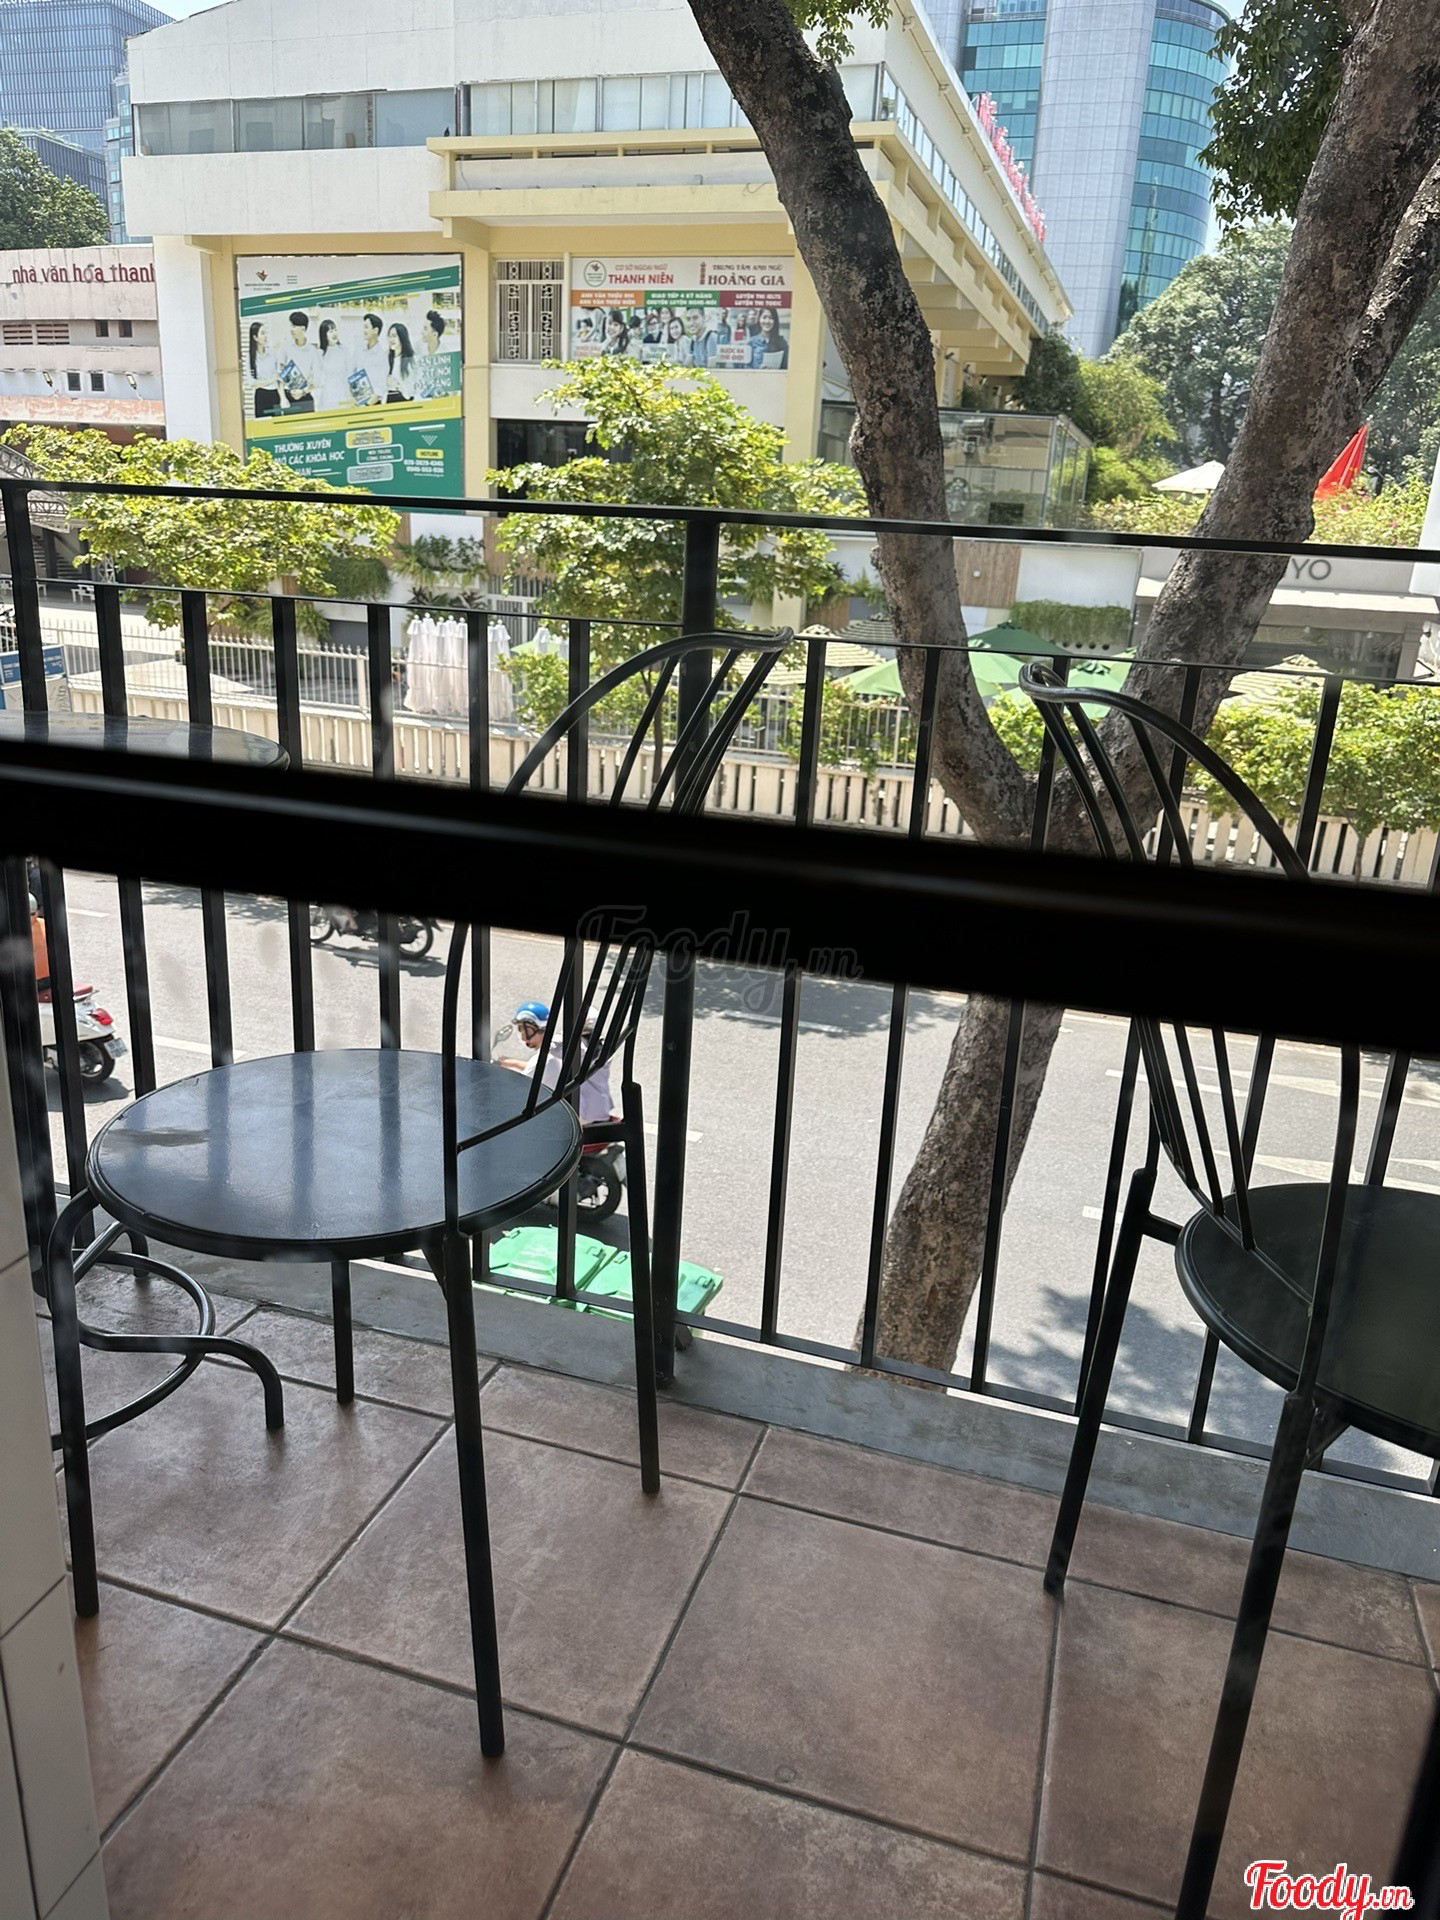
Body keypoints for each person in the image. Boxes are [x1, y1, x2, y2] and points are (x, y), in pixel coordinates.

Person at [504, 1001, 614, 1126]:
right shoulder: (599, 1046)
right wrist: (510, 1063)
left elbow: (524, 1083)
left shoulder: (577, 1049)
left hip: (582, 1115)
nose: (523, 1036)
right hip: (599, 1110)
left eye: (526, 1030)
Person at [313, 317, 353, 411]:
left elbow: (350, 372)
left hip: (344, 392)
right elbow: (316, 377)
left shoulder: (343, 350)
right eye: (330, 331)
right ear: (324, 335)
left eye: (335, 330)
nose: (334, 333)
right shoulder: (320, 353)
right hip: (328, 394)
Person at [279, 310, 316, 411]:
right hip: (288, 398)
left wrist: (303, 392)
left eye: (294, 326)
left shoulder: (312, 351)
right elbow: (280, 376)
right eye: (291, 326)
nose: (291, 330)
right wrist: (283, 398)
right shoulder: (285, 347)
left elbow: (316, 379)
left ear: (303, 329)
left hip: (305, 396)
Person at [248, 320, 282, 418]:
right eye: (262, 333)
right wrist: (270, 381)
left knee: (277, 423)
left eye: (266, 333)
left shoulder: (272, 353)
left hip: (275, 394)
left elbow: (279, 375)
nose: (266, 336)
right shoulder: (250, 358)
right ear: (255, 337)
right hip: (261, 396)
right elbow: (252, 383)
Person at [356, 311, 388, 406]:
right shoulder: (360, 351)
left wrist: (367, 405)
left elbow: (381, 388)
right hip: (359, 401)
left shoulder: (382, 355)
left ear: (375, 330)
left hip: (373, 404)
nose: (364, 330)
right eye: (364, 327)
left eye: (366, 327)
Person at [386, 321, 416, 402]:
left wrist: (396, 386)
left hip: (404, 402)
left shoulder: (410, 361)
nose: (391, 339)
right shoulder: (388, 358)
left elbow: (410, 392)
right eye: (389, 336)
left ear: (402, 337)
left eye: (394, 336)